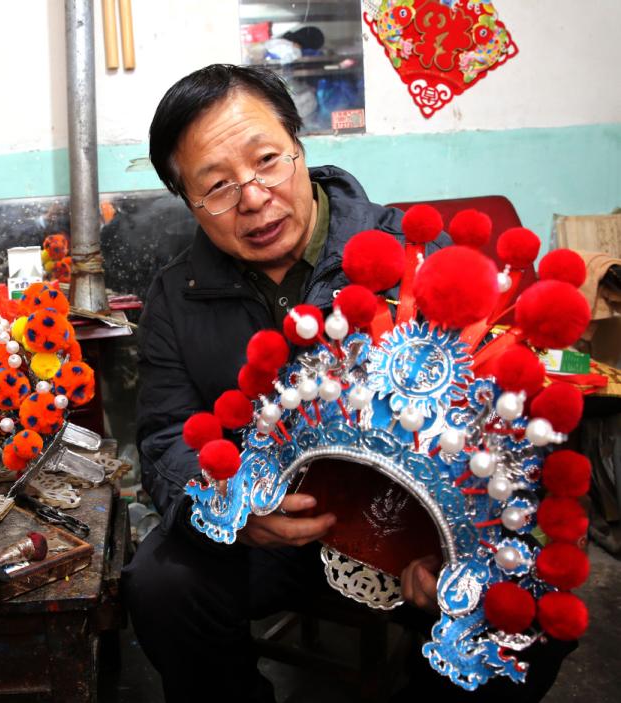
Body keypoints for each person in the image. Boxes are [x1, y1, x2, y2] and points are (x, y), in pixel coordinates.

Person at [122, 64, 570, 702]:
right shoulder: (175, 296)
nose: (252, 198)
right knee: (160, 584)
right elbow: (166, 435)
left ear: (299, 148)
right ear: (188, 201)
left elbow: (499, 418)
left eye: (267, 161)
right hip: (269, 533)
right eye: (216, 186)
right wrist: (241, 510)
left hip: (412, 530)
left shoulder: (409, 256)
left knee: (524, 613)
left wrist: (448, 542)